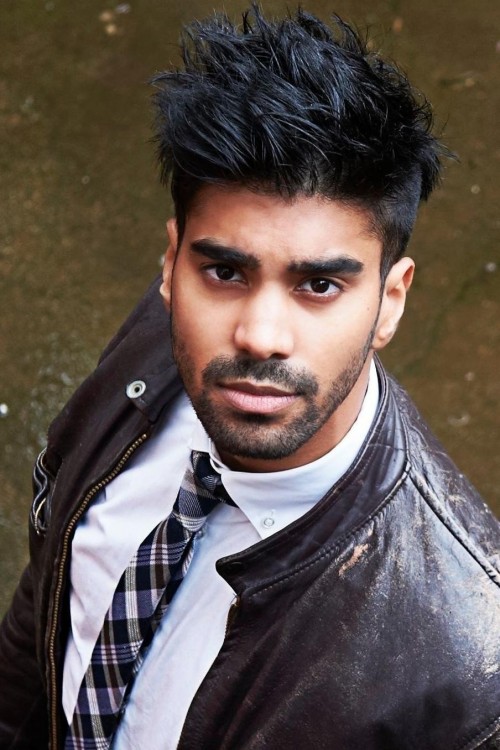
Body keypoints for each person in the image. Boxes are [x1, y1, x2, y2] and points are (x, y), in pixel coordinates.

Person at [1, 5, 499, 749]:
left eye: (319, 285)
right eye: (226, 272)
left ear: (390, 301)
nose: (260, 336)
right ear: (172, 265)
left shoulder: (461, 672)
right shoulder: (158, 343)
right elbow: (44, 619)